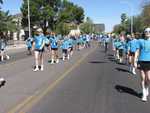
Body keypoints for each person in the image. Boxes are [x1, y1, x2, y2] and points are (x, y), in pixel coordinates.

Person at [134, 27, 150, 102]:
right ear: (144, 32)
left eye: (149, 31)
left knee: (149, 78)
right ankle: (144, 93)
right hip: (141, 61)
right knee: (143, 78)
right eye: (146, 31)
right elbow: (137, 51)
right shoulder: (140, 41)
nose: (148, 32)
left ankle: (147, 88)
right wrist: (135, 60)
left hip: (149, 61)